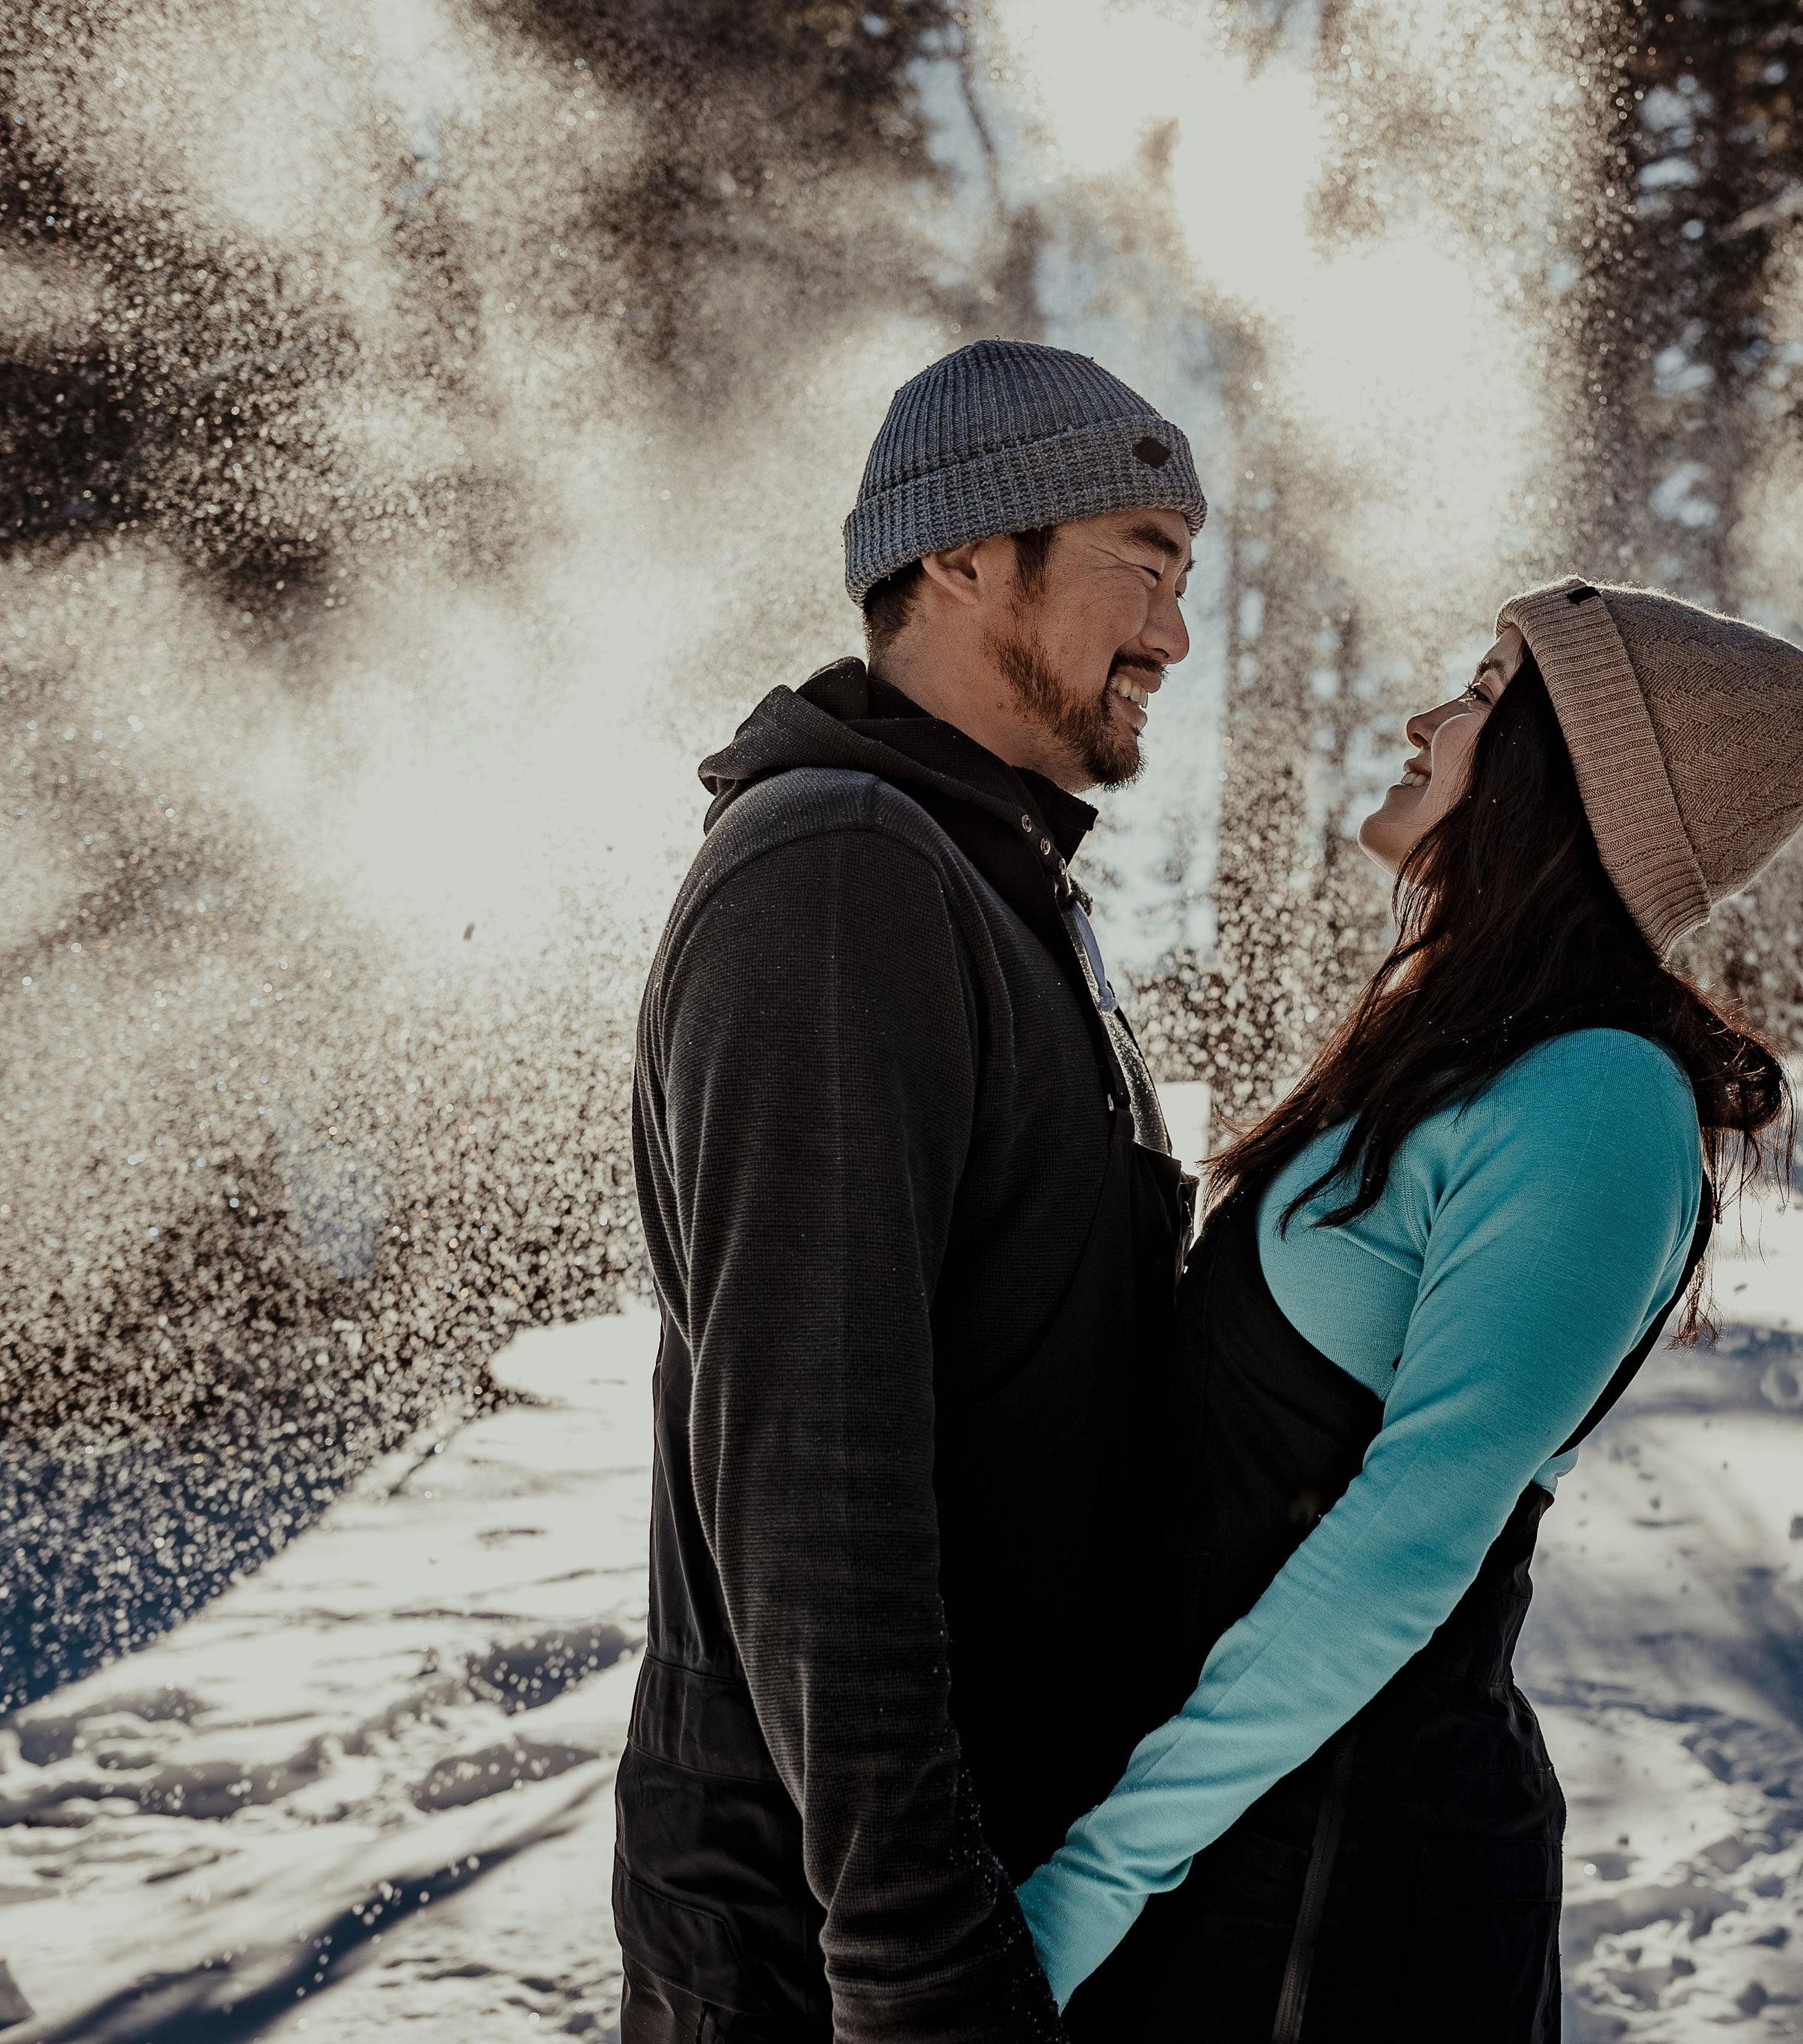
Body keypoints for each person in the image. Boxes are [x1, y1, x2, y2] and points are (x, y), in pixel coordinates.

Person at [1019, 578, 1803, 2042]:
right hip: (1223, 1857)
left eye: (1477, 692)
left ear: (1566, 771)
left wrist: (1082, 1887)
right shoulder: (1457, 1046)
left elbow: (1403, 1548)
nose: (1423, 716)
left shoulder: (1596, 1099)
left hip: (1336, 1915)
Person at [618, 339, 1209, 2042]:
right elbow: (815, 1480)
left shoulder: (984, 881)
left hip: (976, 1893)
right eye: (1142, 565)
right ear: (963, 555)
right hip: (832, 1952)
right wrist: (919, 1963)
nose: (1172, 634)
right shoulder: (839, 874)